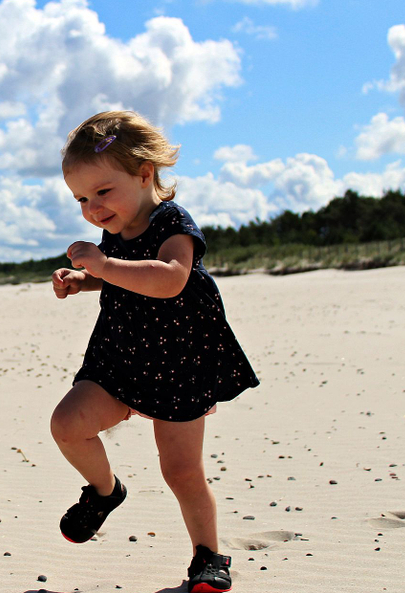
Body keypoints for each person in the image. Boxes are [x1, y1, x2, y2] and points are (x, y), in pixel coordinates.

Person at [49, 111, 258, 593]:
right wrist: (84, 280)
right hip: (120, 356)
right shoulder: (114, 231)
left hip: (178, 361)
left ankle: (208, 554)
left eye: (103, 192)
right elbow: (115, 273)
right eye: (81, 198)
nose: (93, 208)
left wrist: (102, 262)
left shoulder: (172, 221)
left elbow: (170, 278)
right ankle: (104, 491)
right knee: (67, 424)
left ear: (145, 175)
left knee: (181, 470)